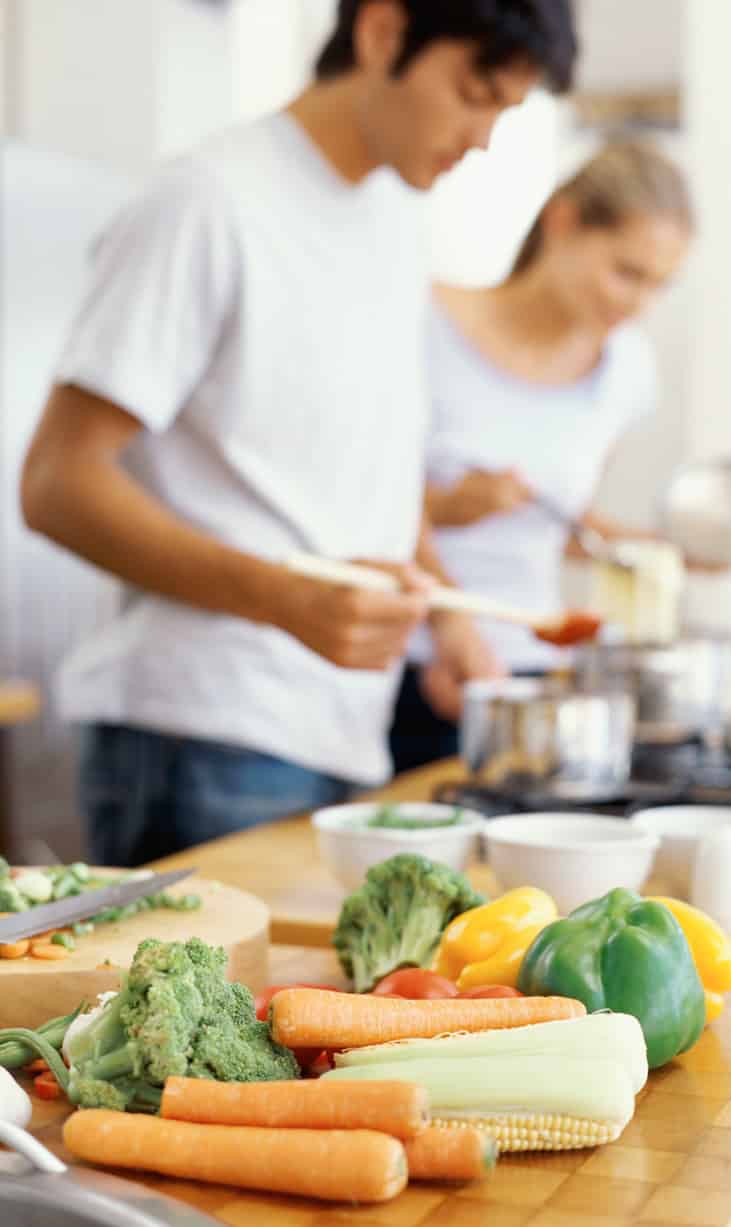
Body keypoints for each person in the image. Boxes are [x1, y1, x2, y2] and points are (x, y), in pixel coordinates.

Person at [19, 0, 578, 866]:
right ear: (384, 32)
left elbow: (369, 474)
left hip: (337, 732)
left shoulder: (394, 215)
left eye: (506, 110)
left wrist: (448, 619)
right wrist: (285, 599)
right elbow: (57, 482)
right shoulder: (207, 202)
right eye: (475, 93)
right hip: (200, 736)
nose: (483, 137)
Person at [389, 139, 693, 772]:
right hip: (414, 666)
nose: (637, 304)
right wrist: (446, 513)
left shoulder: (627, 370)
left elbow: (564, 524)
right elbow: (357, 495)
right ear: (562, 221)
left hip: (534, 671)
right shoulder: (418, 323)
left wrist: (669, 551)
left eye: (659, 286)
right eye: (626, 271)